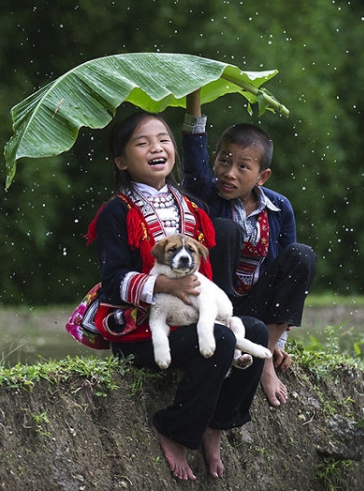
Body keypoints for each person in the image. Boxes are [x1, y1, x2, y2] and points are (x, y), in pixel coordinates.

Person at [84, 110, 269, 481]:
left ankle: (215, 426)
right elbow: (113, 280)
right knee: (218, 338)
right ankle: (173, 428)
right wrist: (163, 286)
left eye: (164, 139)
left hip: (188, 320)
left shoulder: (192, 208)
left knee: (256, 331)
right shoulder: (116, 212)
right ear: (122, 160)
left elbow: (206, 280)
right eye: (142, 142)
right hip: (142, 331)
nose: (157, 147)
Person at [181, 90, 317, 408]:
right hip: (219, 305)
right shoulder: (205, 192)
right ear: (214, 160)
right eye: (224, 161)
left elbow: (288, 274)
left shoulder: (279, 207)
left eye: (244, 167)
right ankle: (230, 337)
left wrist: (278, 339)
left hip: (258, 305)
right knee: (224, 229)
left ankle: (266, 357)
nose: (229, 173)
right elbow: (193, 147)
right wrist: (193, 96)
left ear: (262, 176)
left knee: (301, 255)